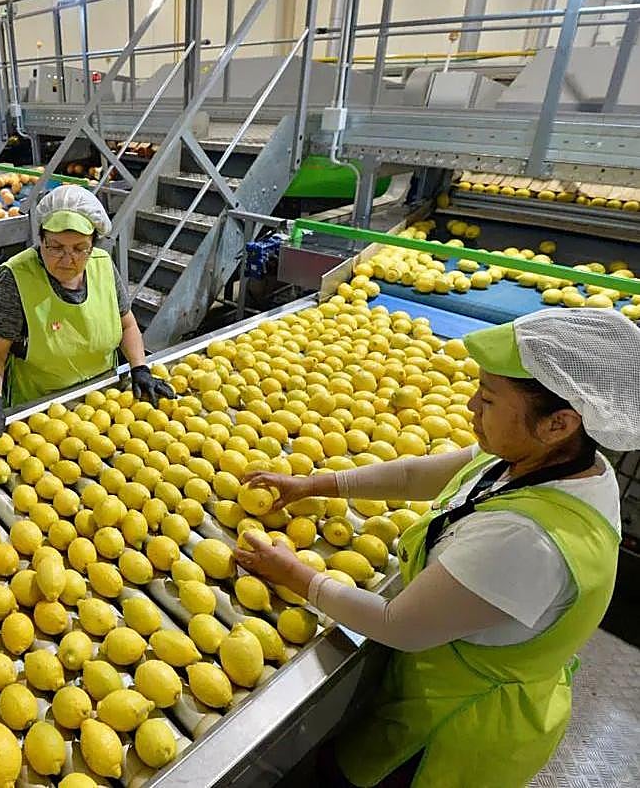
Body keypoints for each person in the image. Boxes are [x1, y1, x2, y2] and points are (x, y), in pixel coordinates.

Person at [233, 307, 639, 788]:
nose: (470, 407)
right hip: (443, 677)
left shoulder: (528, 540)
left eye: (487, 400)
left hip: (455, 732)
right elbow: (414, 474)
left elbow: (397, 625)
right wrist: (315, 483)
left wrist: (294, 574)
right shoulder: (553, 462)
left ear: (559, 423)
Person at [0, 185, 174, 439]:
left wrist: (140, 368)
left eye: (79, 248)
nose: (67, 259)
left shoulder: (103, 265)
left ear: (93, 245)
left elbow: (128, 325)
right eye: (55, 247)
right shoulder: (16, 277)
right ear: (40, 239)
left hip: (105, 399)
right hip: (41, 412)